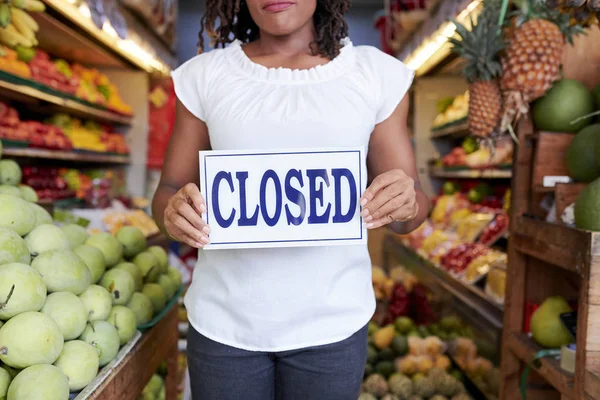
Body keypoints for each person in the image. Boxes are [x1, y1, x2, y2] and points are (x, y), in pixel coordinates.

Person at [152, 0, 429, 398]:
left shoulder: (375, 74)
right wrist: (173, 212)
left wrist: (405, 202)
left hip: (334, 327)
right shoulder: (204, 77)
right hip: (223, 326)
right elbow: (166, 191)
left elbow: (412, 207)